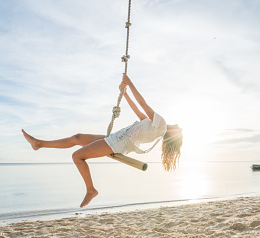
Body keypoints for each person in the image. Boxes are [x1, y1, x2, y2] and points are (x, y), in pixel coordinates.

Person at [22, 74, 183, 207]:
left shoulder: (161, 125)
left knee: (77, 156)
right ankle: (39, 144)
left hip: (119, 142)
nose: (179, 126)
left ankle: (91, 190)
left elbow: (143, 103)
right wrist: (125, 94)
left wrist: (129, 82)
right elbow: (138, 111)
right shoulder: (156, 127)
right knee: (77, 137)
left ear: (173, 134)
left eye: (179, 129)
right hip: (119, 138)